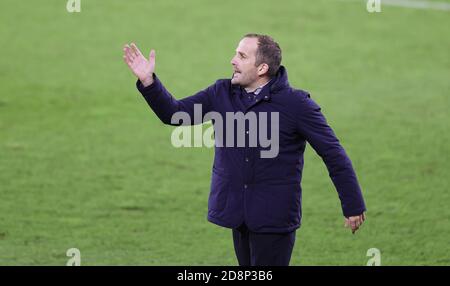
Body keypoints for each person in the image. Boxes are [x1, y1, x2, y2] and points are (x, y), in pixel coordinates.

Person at [123, 33, 366, 266]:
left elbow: (333, 153)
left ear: (262, 69)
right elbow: (175, 115)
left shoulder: (297, 104)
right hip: (237, 214)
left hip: (274, 218)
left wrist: (353, 205)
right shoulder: (221, 93)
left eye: (241, 56)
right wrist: (148, 81)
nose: (233, 60)